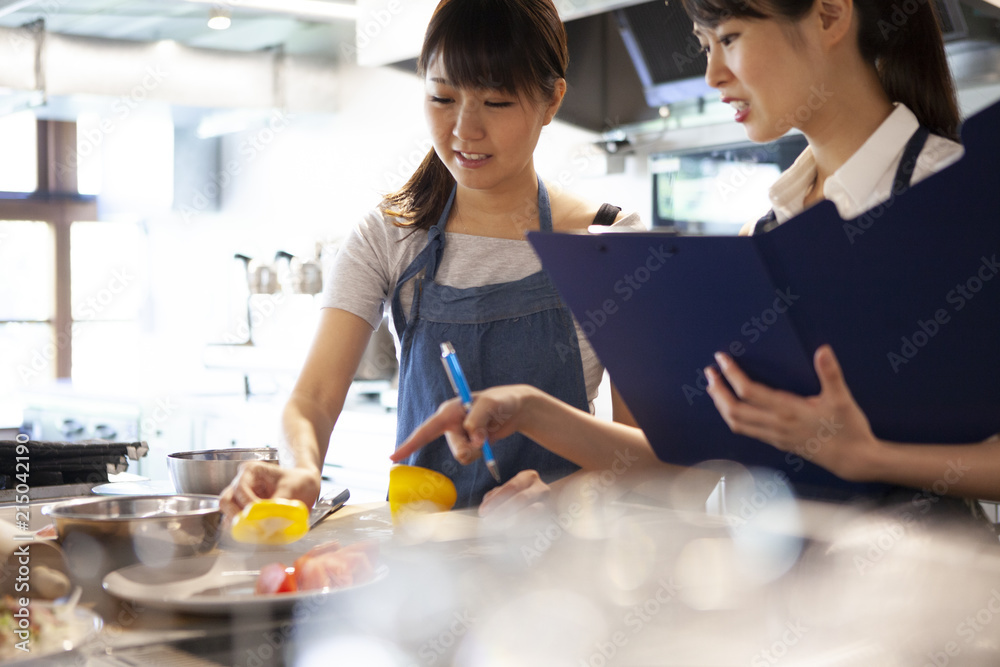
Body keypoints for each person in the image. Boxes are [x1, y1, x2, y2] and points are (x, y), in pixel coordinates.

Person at [392, 0, 1000, 514]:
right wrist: (529, 411)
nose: (710, 74)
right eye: (703, 44)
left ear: (831, 14)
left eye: (729, 38)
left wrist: (869, 456)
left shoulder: (960, 195)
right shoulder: (760, 238)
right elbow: (686, 459)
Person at [220, 0, 643, 517]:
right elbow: (312, 400)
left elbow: (642, 457)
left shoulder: (610, 240)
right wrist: (303, 467)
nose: (464, 130)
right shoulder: (390, 237)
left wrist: (563, 499)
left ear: (552, 99)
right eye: (442, 98)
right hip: (422, 571)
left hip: (564, 573)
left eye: (497, 103)